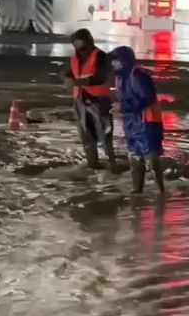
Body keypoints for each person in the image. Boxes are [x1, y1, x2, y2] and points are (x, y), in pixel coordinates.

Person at [107, 46, 165, 194]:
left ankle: (161, 191)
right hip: (132, 124)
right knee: (134, 157)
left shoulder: (138, 76)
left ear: (124, 61)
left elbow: (147, 98)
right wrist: (119, 107)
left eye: (115, 60)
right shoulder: (120, 78)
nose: (113, 64)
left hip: (147, 123)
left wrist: (123, 106)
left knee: (151, 158)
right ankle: (137, 190)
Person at [64, 28, 115, 170]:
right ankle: (93, 164)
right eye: (77, 45)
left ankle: (112, 165)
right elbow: (68, 72)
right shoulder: (74, 58)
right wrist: (67, 78)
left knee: (104, 134)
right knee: (86, 136)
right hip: (80, 101)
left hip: (99, 101)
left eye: (82, 45)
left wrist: (80, 82)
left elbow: (101, 76)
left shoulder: (100, 56)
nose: (81, 50)